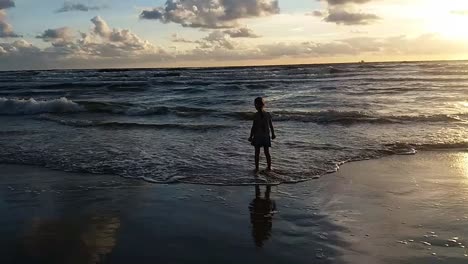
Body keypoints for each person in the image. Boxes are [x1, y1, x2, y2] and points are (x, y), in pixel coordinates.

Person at [248, 97, 276, 173]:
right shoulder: (267, 114)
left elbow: (253, 127)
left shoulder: (256, 115)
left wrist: (251, 136)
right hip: (266, 136)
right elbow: (271, 126)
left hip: (257, 136)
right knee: (267, 152)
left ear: (256, 105)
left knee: (257, 153)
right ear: (263, 105)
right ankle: (269, 167)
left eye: (255, 104)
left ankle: (257, 168)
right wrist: (273, 134)